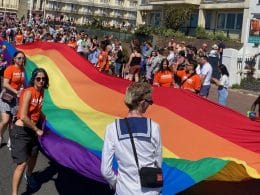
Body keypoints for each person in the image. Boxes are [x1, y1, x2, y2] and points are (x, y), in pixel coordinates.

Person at [101, 82, 162, 195]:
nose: (150, 105)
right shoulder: (154, 127)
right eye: (150, 102)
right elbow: (158, 163)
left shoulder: (112, 128)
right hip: (150, 191)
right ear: (143, 103)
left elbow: (105, 171)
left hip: (124, 191)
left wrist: (117, 184)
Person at [10, 68, 49, 195]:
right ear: (34, 79)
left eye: (43, 79)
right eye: (38, 78)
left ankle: (29, 175)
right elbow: (23, 116)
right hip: (21, 131)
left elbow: (37, 109)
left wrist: (43, 117)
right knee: (21, 164)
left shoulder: (42, 91)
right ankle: (14, 193)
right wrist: (37, 129)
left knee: (33, 155)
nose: (41, 81)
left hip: (31, 130)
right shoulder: (28, 92)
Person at [0, 51, 25, 147]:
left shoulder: (23, 69)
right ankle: (0, 136)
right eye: (19, 58)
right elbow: (5, 84)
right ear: (14, 59)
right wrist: (16, 92)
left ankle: (12, 138)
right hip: (6, 97)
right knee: (5, 120)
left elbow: (21, 83)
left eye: (23, 58)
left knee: (14, 120)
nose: (21, 60)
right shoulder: (10, 69)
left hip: (16, 98)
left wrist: (22, 90)